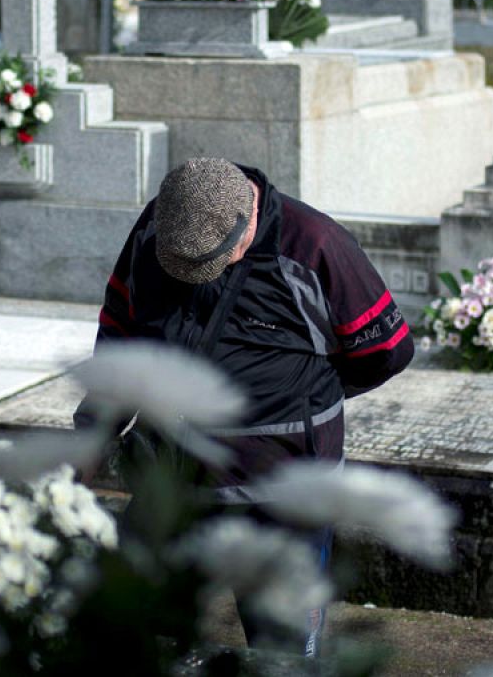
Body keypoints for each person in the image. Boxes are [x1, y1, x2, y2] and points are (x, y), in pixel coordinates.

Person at [74, 158, 414, 657]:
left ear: (247, 223)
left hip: (282, 489)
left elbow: (388, 351)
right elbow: (122, 336)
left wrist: (300, 403)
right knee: (129, 628)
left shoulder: (316, 245)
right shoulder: (160, 227)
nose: (192, 278)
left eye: (207, 264)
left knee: (283, 652)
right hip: (173, 475)